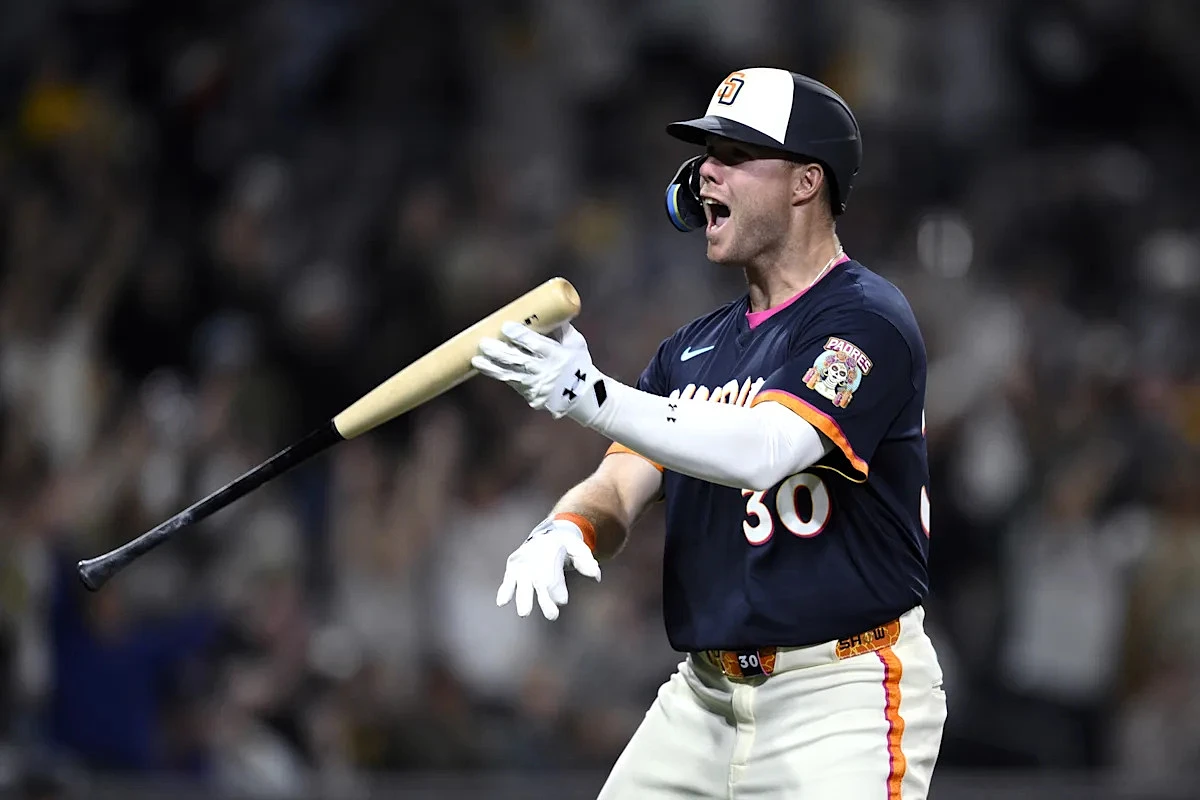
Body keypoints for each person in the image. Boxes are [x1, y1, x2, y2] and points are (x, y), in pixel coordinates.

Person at [472, 67, 947, 799]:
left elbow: (767, 451)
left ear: (804, 183)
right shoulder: (690, 349)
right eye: (704, 154)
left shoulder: (867, 320)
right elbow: (623, 478)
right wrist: (572, 524)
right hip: (704, 695)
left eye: (733, 154)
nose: (704, 175)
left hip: (841, 694)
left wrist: (592, 395)